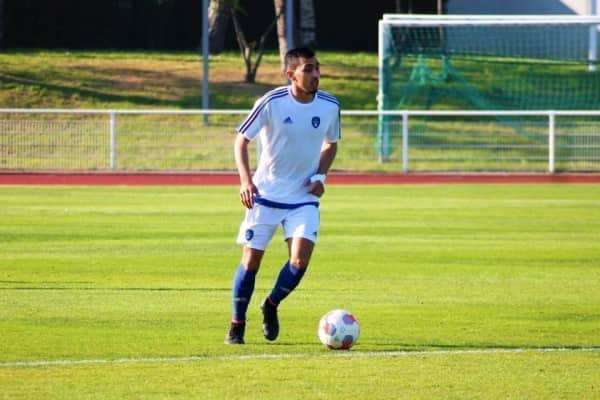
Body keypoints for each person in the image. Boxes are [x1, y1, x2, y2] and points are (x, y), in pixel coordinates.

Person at [225, 47, 341, 344]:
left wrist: (320, 175)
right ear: (291, 74)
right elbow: (241, 140)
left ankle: (271, 304)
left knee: (299, 262)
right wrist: (246, 181)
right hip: (265, 195)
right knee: (250, 262)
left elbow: (331, 143)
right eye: (308, 69)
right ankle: (237, 324)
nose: (315, 75)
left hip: (303, 198)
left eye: (317, 68)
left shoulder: (329, 105)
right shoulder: (271, 102)